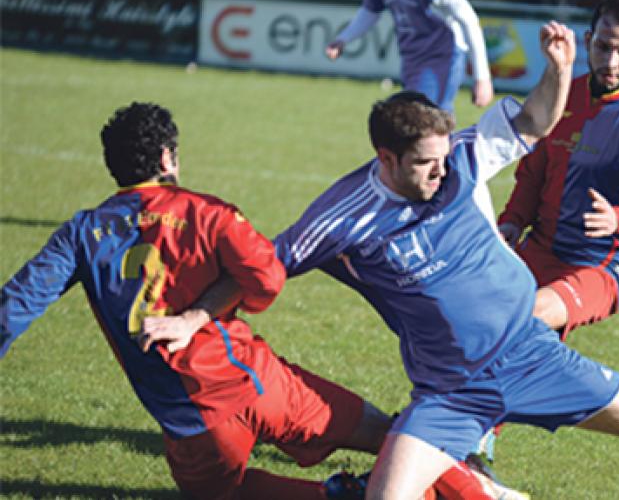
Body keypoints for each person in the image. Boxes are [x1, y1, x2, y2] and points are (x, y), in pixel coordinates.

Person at [189, 19, 619, 498]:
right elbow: (262, 267)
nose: (442, 173)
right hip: (449, 393)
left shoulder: (459, 157)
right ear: (386, 158)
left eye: (443, 157)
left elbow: (533, 123)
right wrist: (194, 317)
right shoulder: (341, 217)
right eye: (425, 164)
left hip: (530, 355)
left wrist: (558, 70)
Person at [0, 103, 517, 500]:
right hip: (259, 383)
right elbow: (267, 280)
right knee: (391, 436)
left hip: (194, 423)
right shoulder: (208, 213)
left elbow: (13, 310)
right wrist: (207, 309)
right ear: (167, 158)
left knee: (229, 494)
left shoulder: (80, 234)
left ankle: (340, 494)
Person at [497, 0, 619, 346]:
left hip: (600, 264)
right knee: (476, 318)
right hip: (540, 248)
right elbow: (533, 172)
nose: (612, 62)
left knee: (527, 317)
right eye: (603, 47)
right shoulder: (563, 94)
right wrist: (512, 221)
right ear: (587, 41)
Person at [325, 0, 494, 113]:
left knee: (424, 119)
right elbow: (371, 10)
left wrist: (482, 78)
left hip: (443, 53)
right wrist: (343, 39)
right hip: (411, 55)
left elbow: (469, 20)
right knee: (423, 120)